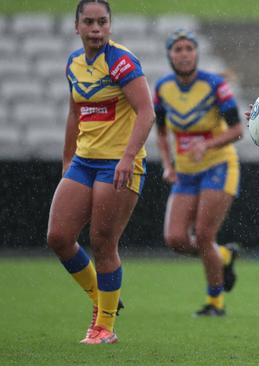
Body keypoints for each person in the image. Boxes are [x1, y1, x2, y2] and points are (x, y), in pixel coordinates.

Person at [46, 0, 154, 344]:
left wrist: (127, 157)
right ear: (76, 27)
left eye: (102, 22)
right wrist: (67, 161)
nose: (95, 29)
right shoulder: (74, 64)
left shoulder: (121, 61)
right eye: (89, 22)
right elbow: (75, 114)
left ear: (110, 25)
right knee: (59, 237)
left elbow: (146, 111)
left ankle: (104, 327)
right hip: (84, 161)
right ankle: (104, 298)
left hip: (118, 162)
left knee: (103, 242)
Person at [153, 29, 243, 317]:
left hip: (219, 165)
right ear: (169, 54)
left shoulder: (215, 85)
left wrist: (208, 144)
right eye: (177, 49)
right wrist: (168, 164)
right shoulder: (162, 88)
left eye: (188, 48)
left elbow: (238, 130)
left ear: (196, 53)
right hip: (186, 173)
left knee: (204, 235)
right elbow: (162, 131)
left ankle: (215, 303)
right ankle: (223, 255)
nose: (183, 54)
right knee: (175, 239)